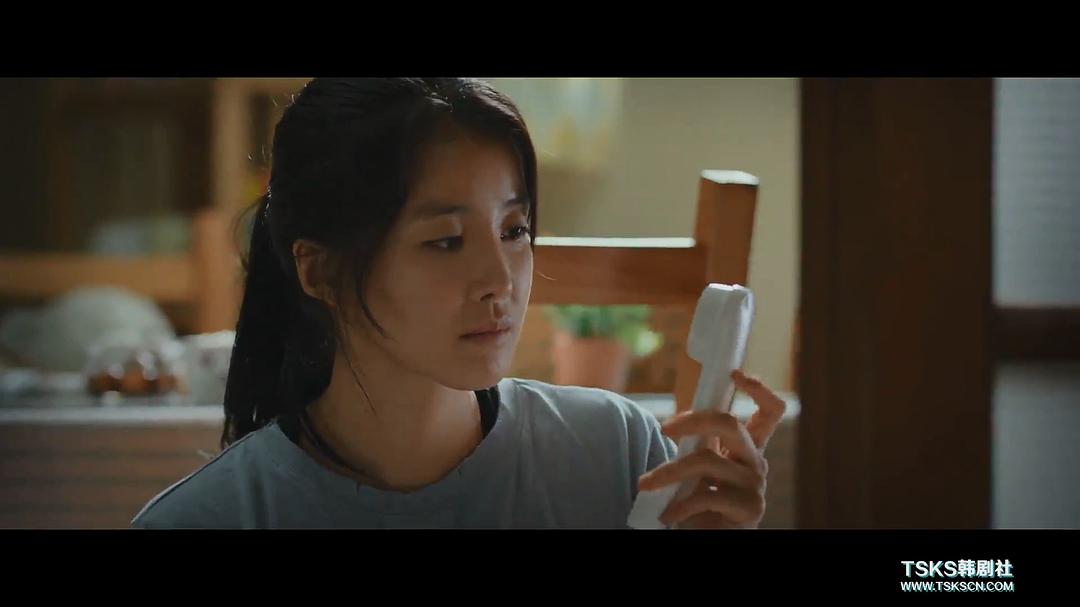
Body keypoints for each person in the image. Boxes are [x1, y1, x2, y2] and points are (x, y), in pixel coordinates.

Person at [131, 78, 785, 529]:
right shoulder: (209, 517)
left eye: (515, 230)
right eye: (445, 241)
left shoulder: (618, 457)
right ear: (321, 270)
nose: (501, 280)